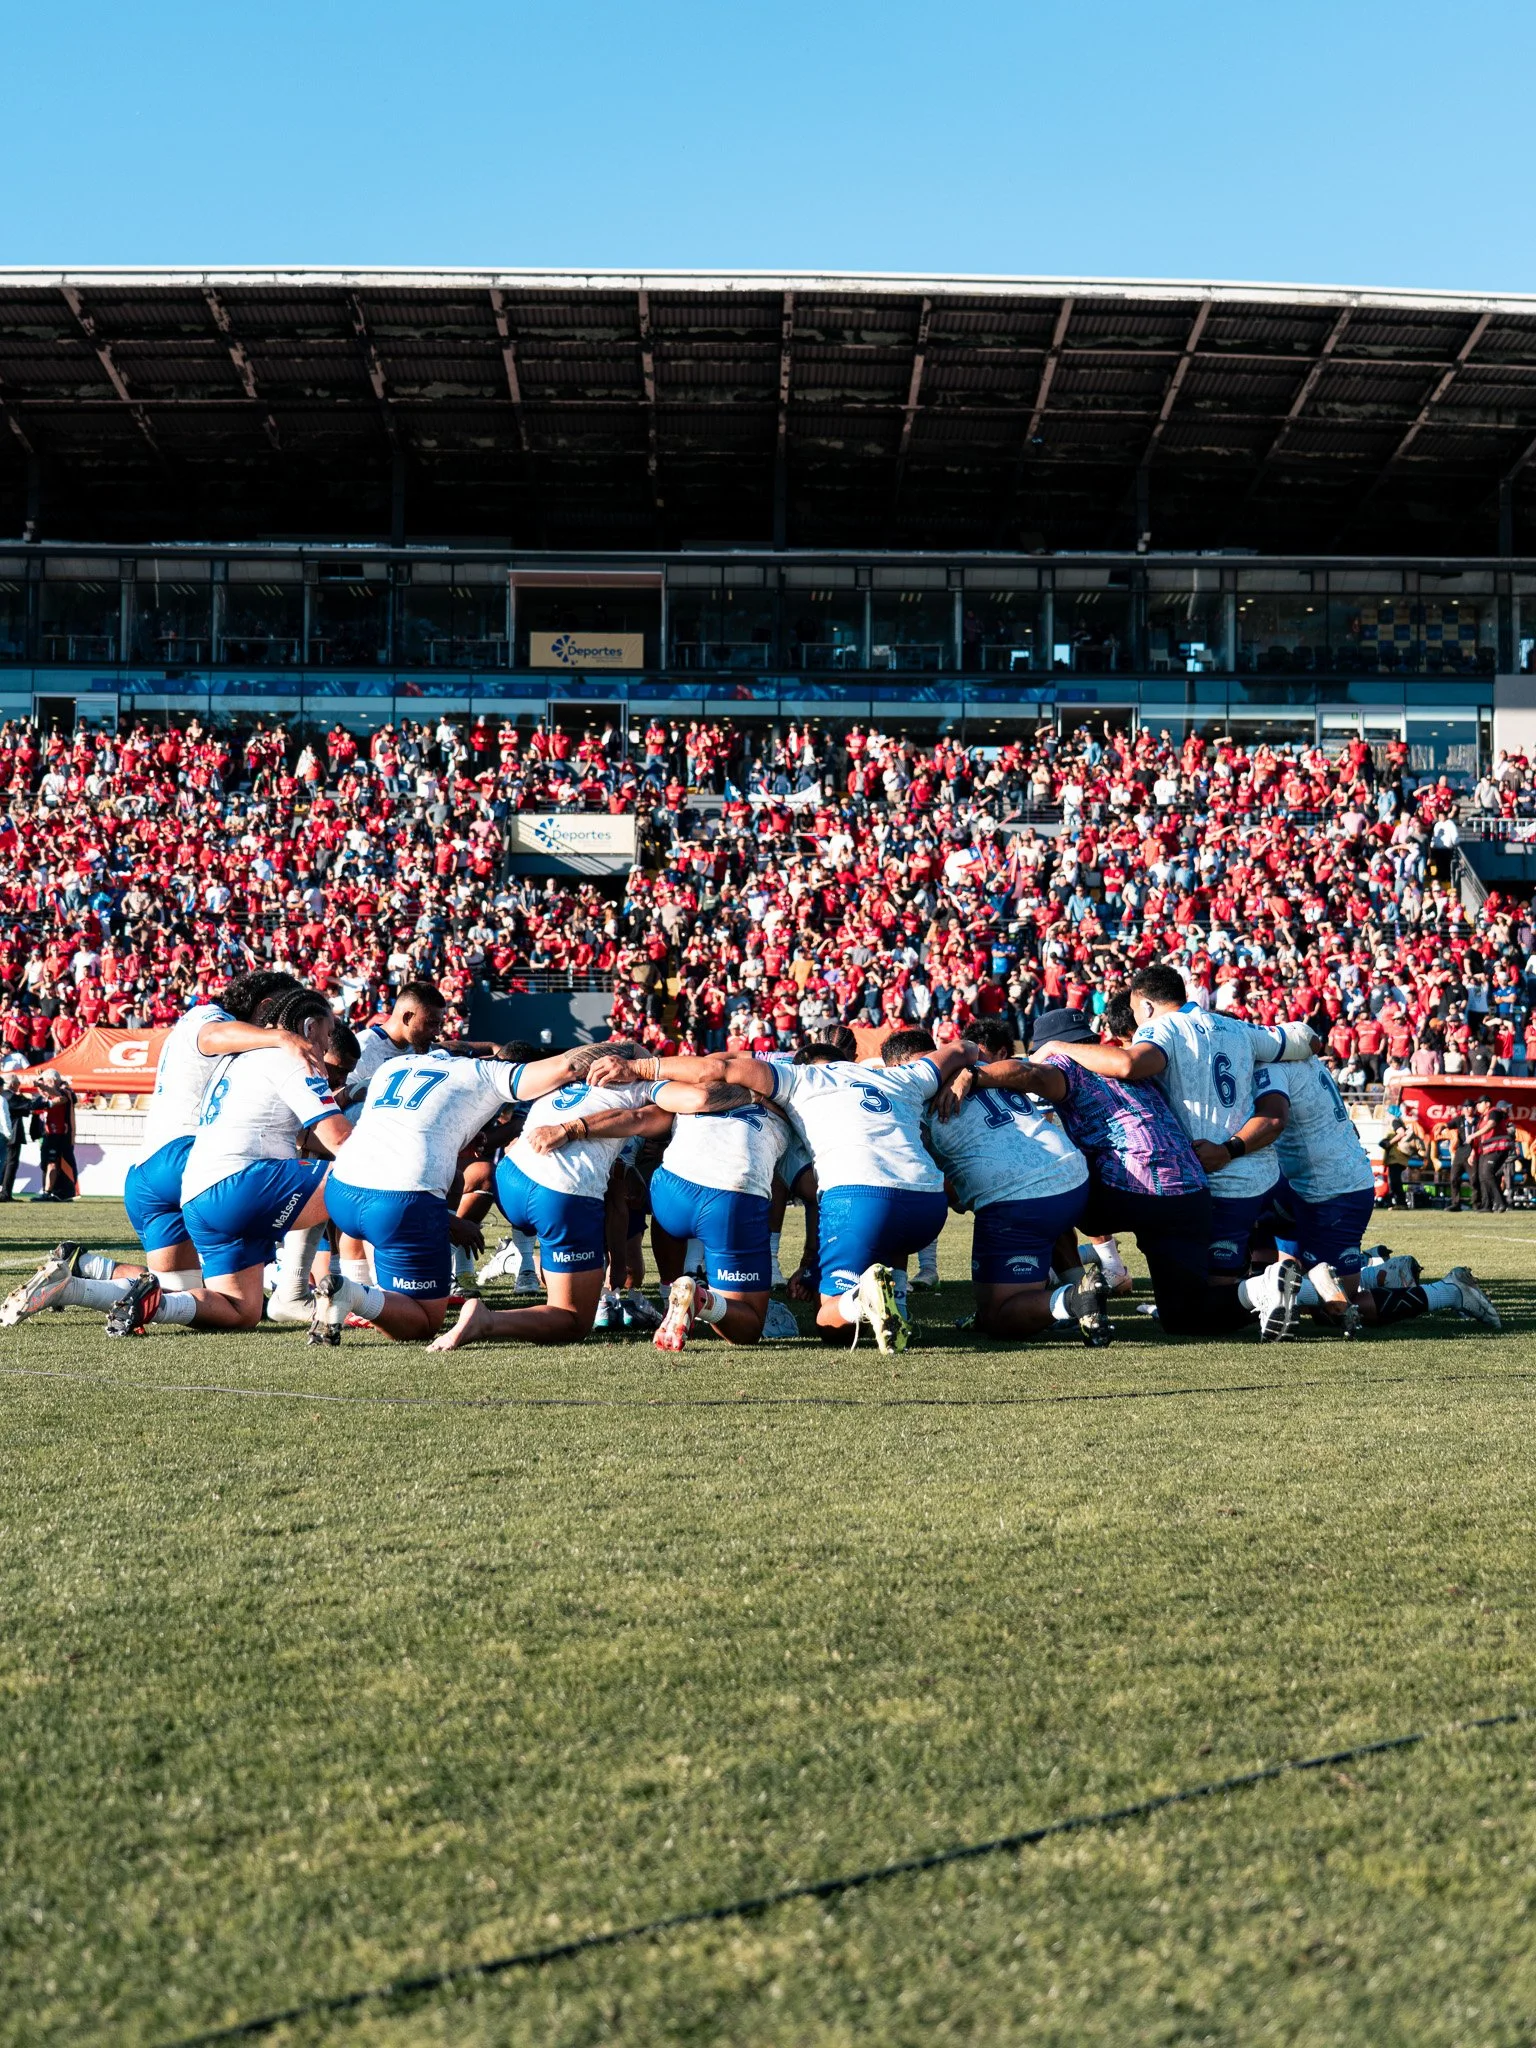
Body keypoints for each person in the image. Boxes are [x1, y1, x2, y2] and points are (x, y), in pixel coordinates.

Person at [588, 1028, 985, 1355]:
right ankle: (894, 1297)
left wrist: (639, 1067)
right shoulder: (896, 1075)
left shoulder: (796, 1081)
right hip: (925, 1206)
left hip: (675, 1190)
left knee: (830, 1321)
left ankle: (675, 1290)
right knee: (750, 1320)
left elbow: (717, 1069)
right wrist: (971, 1072)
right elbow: (963, 1048)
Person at [946, 1004, 1297, 1340]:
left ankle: (1070, 1289)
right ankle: (1263, 1288)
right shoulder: (1119, 1063)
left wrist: (975, 1075)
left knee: (1044, 1189)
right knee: (1186, 1315)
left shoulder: (1064, 1065)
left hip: (1131, 1187)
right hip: (1188, 1193)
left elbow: (1032, 1073)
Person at [0, 970, 317, 1327]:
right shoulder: (210, 1018)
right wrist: (283, 1038)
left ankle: (79, 1279)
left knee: (181, 1294)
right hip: (192, 1158)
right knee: (319, 1187)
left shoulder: (210, 1028)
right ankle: (296, 1286)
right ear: (267, 1007)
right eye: (289, 1016)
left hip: (148, 1172)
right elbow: (213, 1035)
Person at [1038, 965, 1301, 1321]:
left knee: (1215, 1289)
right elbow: (1304, 1040)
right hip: (1252, 1170)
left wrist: (1055, 1047)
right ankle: (1273, 1288)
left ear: (1145, 1007)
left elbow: (1130, 1064)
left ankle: (1300, 1292)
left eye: (1134, 1013)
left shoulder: (1162, 1027)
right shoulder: (1235, 1026)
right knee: (1189, 1309)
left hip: (1212, 1175)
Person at [429, 1047, 737, 1350]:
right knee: (573, 1318)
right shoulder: (652, 1085)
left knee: (603, 1241)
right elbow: (689, 1100)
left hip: (512, 1176)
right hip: (561, 1190)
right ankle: (486, 1319)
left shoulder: (579, 1072)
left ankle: (523, 1261)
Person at [313, 1040, 611, 1344]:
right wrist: (636, 1058)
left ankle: (357, 1291)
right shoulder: (485, 1073)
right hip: (398, 1201)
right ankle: (350, 1292)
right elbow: (569, 1066)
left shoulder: (396, 1065)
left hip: (343, 1188)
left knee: (446, 1184)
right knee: (422, 1322)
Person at [104, 987, 354, 1336]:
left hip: (194, 1192)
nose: (326, 1047)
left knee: (241, 1310)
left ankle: (152, 1301)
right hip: (233, 1181)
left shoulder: (236, 1058)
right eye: (327, 1035)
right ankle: (352, 1291)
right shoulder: (292, 1054)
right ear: (309, 1028)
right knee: (363, 1177)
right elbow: (340, 1140)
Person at [1265, 1045, 1497, 1333]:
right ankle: (1376, 1271)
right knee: (1273, 1256)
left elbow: (1272, 1122)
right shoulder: (1306, 1068)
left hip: (1330, 1188)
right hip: (1301, 1182)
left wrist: (1229, 1149)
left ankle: (1449, 1291)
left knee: (1332, 1307)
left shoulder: (1273, 1069)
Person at [922, 1018, 1102, 1344]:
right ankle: (1079, 1283)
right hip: (1071, 1177)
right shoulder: (988, 1068)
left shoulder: (914, 1093)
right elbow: (1027, 1072)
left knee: (998, 1315)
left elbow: (929, 1178)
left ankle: (1074, 1301)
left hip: (1020, 1200)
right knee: (1052, 1223)